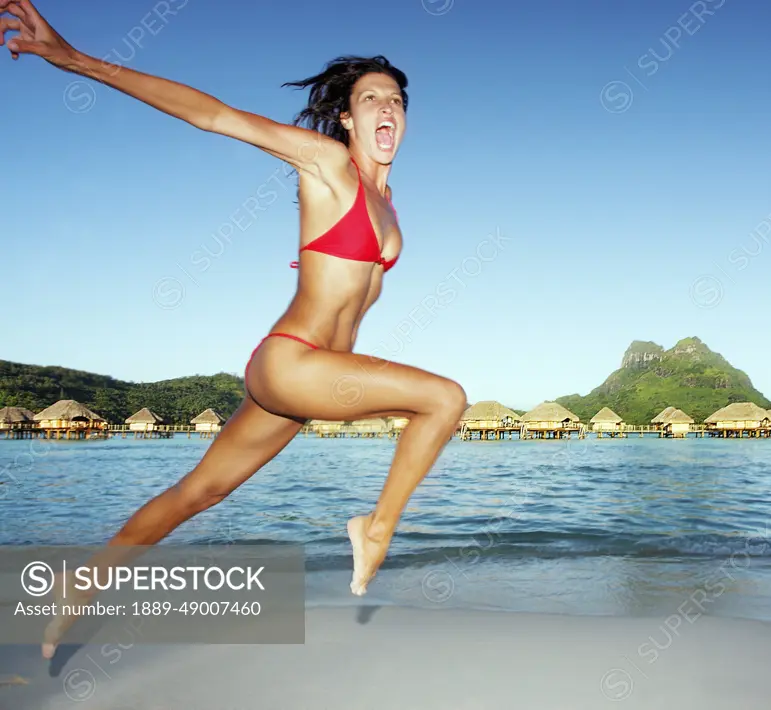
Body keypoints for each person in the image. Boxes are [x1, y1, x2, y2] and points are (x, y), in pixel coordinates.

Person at [2, 0, 467, 659]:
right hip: (292, 362)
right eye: (370, 98)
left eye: (395, 100)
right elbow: (213, 114)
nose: (386, 109)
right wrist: (72, 58)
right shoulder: (327, 165)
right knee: (445, 399)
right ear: (346, 116)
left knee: (199, 491)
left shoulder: (389, 204)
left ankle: (83, 583)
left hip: (305, 380)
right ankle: (375, 527)